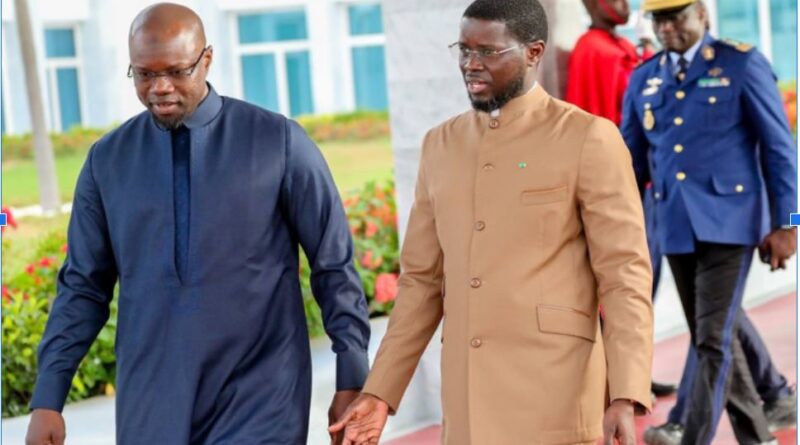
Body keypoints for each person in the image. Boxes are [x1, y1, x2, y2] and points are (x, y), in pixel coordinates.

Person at [24, 4, 370, 445]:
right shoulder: (107, 161)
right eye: (144, 74)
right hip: (150, 401)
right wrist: (48, 397)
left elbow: (333, 265)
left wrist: (352, 374)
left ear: (207, 59)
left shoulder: (278, 142)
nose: (160, 87)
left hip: (262, 395)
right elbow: (82, 287)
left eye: (176, 71)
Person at [329, 1, 654, 444]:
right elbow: (421, 282)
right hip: (468, 405)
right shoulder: (440, 145)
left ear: (534, 52)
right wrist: (380, 392)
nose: (470, 64)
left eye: (488, 51)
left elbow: (624, 275)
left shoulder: (587, 138)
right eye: (464, 50)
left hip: (556, 396)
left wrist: (626, 392)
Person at [620, 0, 797, 444]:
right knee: (714, 336)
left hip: (732, 224)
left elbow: (780, 148)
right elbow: (630, 165)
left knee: (712, 341)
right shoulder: (645, 77)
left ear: (701, 13)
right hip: (675, 227)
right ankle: (757, 437)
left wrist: (789, 223)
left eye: (676, 16)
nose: (666, 28)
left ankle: (691, 436)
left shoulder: (741, 63)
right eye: (659, 19)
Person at [565, 0, 677, 399]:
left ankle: (632, 373)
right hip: (618, 186)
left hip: (642, 182)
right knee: (625, 286)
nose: (624, 5)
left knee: (642, 284)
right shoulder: (594, 50)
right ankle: (617, 380)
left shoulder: (618, 46)